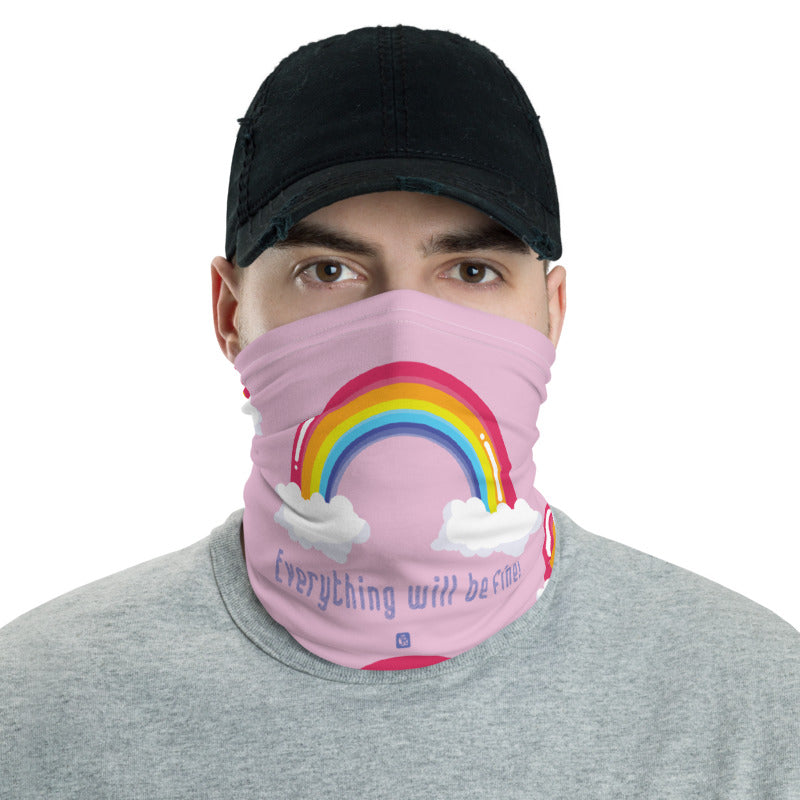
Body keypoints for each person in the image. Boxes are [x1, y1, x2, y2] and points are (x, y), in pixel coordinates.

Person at [1, 24, 797, 798]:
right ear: (229, 312)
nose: (402, 336)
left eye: (473, 271)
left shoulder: (752, 702)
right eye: (328, 270)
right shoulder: (36, 708)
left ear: (553, 313)